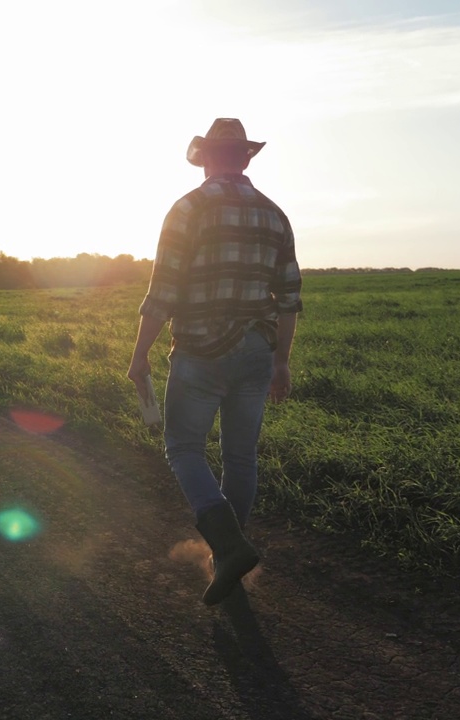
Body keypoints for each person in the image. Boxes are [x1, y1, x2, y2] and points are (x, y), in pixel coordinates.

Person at [127, 118, 302, 605]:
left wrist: (140, 354)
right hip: (257, 351)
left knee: (183, 448)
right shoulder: (274, 215)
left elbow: (162, 292)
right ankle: (231, 551)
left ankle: (227, 546)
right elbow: (289, 296)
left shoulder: (188, 209)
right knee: (240, 457)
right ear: (244, 158)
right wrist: (281, 362)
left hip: (202, 350)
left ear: (205, 157)